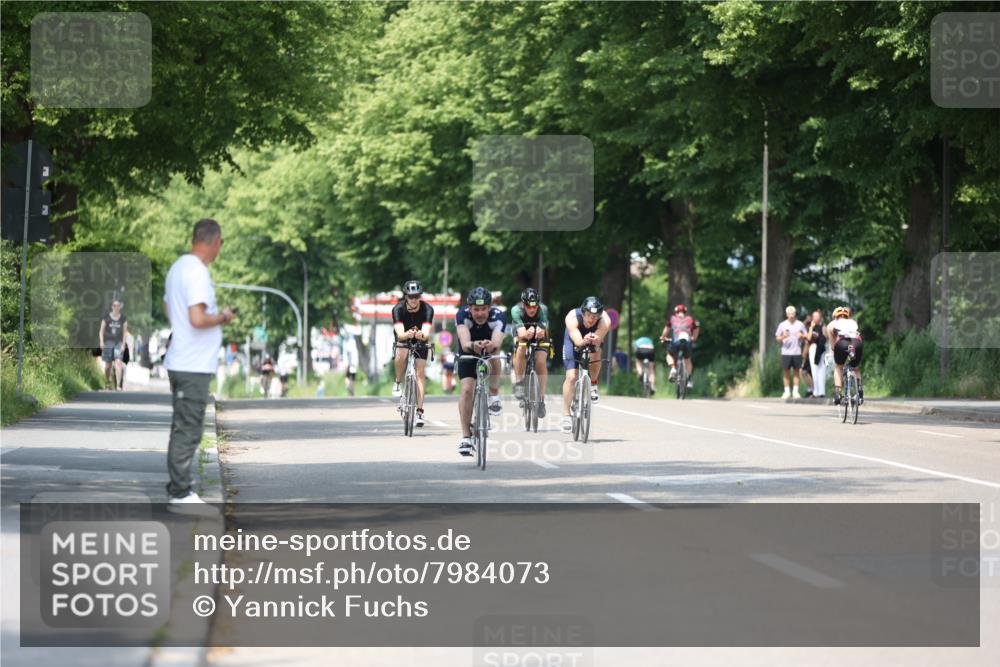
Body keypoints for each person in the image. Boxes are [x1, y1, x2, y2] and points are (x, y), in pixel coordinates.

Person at [163, 218, 235, 512]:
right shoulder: (197, 273)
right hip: (192, 364)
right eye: (220, 245)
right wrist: (224, 317)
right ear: (215, 242)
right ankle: (180, 494)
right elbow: (197, 319)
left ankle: (180, 490)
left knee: (183, 425)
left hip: (184, 359)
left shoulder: (178, 267)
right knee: (188, 429)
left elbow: (170, 308)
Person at [456, 286, 506, 456]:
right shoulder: (462, 315)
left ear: (489, 308)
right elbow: (464, 343)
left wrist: (491, 346)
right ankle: (466, 437)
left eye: (483, 309)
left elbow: (497, 341)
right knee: (467, 389)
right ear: (470, 308)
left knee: (496, 355)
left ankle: (493, 394)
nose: (480, 313)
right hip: (468, 352)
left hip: (489, 351)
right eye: (476, 309)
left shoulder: (498, 316)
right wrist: (473, 345)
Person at [561, 297, 611, 433]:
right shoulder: (572, 317)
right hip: (574, 339)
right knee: (572, 377)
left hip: (593, 338)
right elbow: (577, 341)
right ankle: (566, 415)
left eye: (595, 317)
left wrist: (595, 339)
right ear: (583, 313)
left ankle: (593, 384)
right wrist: (583, 341)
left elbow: (599, 336)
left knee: (595, 353)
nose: (592, 319)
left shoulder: (605, 321)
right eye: (589, 315)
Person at [391, 280, 434, 427]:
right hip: (404, 336)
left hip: (420, 339)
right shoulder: (398, 309)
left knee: (420, 371)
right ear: (406, 297)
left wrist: (422, 336)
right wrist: (407, 335)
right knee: (401, 353)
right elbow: (400, 334)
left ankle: (420, 412)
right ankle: (398, 382)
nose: (414, 299)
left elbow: (427, 333)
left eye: (417, 296)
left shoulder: (428, 309)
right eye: (411, 297)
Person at [510, 288, 551, 418]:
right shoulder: (516, 310)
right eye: (528, 306)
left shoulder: (543, 309)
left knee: (541, 361)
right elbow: (522, 333)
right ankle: (519, 382)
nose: (532, 309)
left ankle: (541, 400)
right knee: (521, 347)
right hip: (522, 330)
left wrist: (540, 331)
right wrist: (527, 333)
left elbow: (543, 328)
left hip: (539, 333)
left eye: (534, 306)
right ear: (523, 304)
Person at [825, 306, 864, 406]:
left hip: (842, 343)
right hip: (857, 343)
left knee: (839, 366)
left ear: (835, 316)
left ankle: (838, 393)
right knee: (856, 367)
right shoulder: (853, 322)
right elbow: (857, 335)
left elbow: (833, 344)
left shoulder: (832, 324)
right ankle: (859, 392)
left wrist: (835, 351)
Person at [660, 304, 699, 389]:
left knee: (669, 354)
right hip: (687, 342)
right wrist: (693, 338)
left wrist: (663, 338)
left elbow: (666, 329)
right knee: (687, 359)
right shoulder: (690, 319)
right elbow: (696, 329)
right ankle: (688, 380)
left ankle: (673, 368)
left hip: (676, 341)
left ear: (676, 311)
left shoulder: (672, 319)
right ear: (685, 311)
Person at [774, 305, 808, 399]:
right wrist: (783, 336)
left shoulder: (800, 324)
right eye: (789, 314)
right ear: (786, 314)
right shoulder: (782, 325)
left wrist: (802, 336)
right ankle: (787, 391)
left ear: (795, 314)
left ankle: (795, 392)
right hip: (786, 352)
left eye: (792, 313)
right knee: (786, 372)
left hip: (797, 351)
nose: (791, 315)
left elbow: (806, 336)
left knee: (797, 371)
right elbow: (777, 338)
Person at [99, 299, 128, 391]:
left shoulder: (123, 318)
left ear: (120, 307)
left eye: (118, 306)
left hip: (118, 343)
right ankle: (108, 383)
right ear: (112, 307)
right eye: (114, 305)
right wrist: (101, 342)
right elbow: (101, 331)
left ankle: (119, 385)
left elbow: (125, 332)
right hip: (108, 343)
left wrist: (123, 344)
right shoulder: (106, 317)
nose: (116, 307)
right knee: (108, 365)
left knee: (118, 362)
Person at [806, 309, 828, 399]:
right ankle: (815, 391)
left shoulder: (823, 326)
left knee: (821, 370)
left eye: (817, 316)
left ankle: (822, 392)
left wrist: (824, 330)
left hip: (821, 350)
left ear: (820, 317)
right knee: (814, 371)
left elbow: (826, 337)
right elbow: (808, 338)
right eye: (814, 316)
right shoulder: (811, 327)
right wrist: (811, 327)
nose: (815, 318)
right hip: (813, 348)